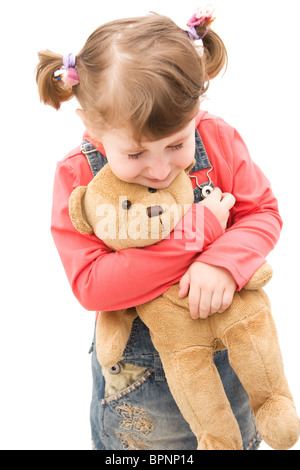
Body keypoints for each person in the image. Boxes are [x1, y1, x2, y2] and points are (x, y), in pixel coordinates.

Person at [36, 9, 282, 450]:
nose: (160, 167)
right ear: (92, 128)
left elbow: (262, 212)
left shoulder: (218, 138)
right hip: (142, 383)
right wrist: (197, 235)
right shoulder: (78, 176)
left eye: (177, 144)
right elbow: (93, 285)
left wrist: (224, 263)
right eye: (134, 155)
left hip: (229, 365)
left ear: (196, 110)